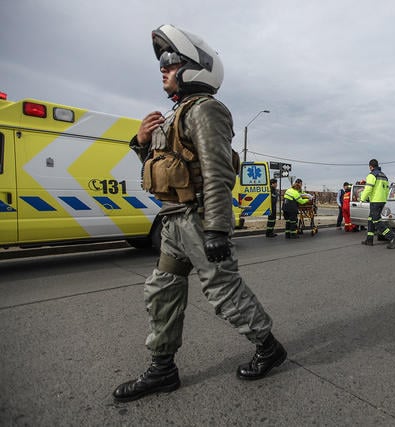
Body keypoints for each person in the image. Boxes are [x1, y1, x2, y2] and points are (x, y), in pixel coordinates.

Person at [113, 24, 286, 403]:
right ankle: (163, 370)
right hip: (173, 222)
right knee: (162, 291)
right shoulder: (176, 115)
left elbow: (217, 172)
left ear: (195, 69)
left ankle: (269, 348)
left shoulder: (206, 110)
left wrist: (218, 231)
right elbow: (167, 167)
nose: (162, 69)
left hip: (197, 219)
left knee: (223, 291)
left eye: (170, 62)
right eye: (162, 62)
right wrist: (139, 143)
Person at [360, 159, 395, 249]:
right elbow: (386, 190)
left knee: (376, 221)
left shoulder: (372, 175)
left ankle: (392, 237)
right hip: (381, 201)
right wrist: (384, 200)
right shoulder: (384, 176)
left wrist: (362, 199)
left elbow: (368, 188)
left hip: (375, 201)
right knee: (371, 219)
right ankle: (369, 240)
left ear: (370, 166)